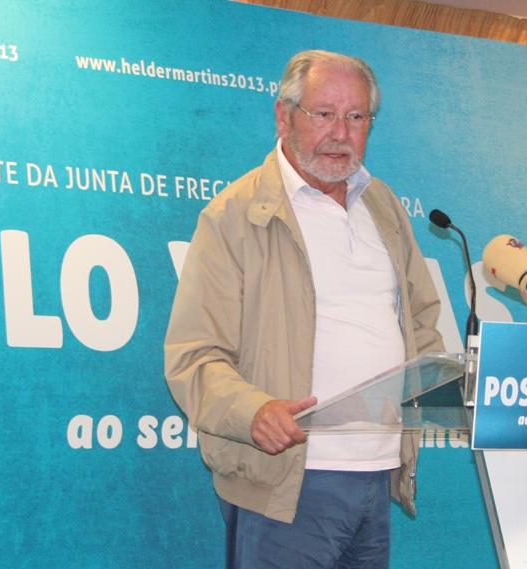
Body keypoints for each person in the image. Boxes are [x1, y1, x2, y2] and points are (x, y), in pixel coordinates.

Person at [164, 49, 444, 569]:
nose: (340, 133)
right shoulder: (234, 215)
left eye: (356, 116)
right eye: (324, 114)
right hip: (288, 480)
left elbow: (421, 318)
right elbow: (194, 356)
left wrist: (436, 380)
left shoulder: (383, 205)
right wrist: (254, 411)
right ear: (283, 115)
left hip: (377, 472)